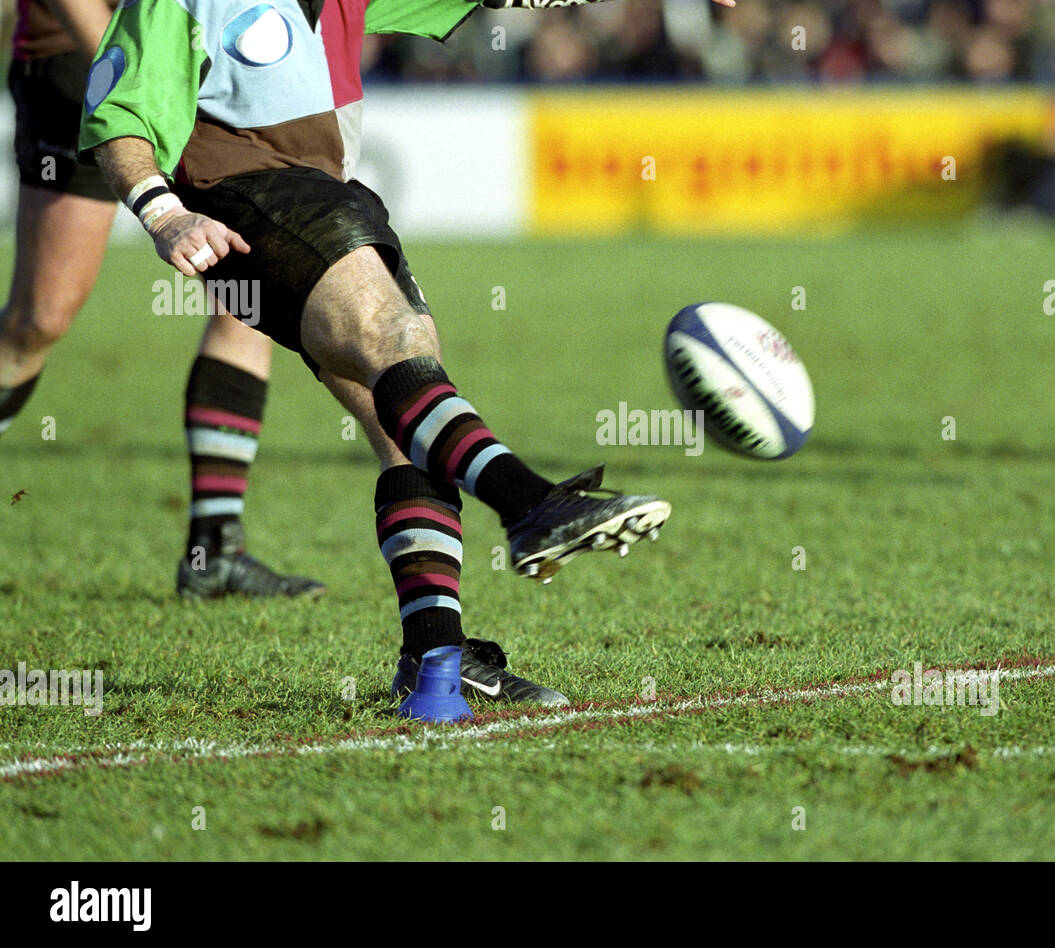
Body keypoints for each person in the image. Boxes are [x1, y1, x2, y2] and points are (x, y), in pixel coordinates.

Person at [78, 0, 731, 716]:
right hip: (243, 199)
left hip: (327, 197)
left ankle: (436, 666)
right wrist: (165, 213)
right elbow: (120, 109)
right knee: (398, 345)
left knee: (409, 408)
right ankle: (531, 503)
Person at [0, 0, 349, 599]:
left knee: (246, 301)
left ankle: (213, 552)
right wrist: (132, 77)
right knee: (41, 316)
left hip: (212, 70)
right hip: (84, 62)